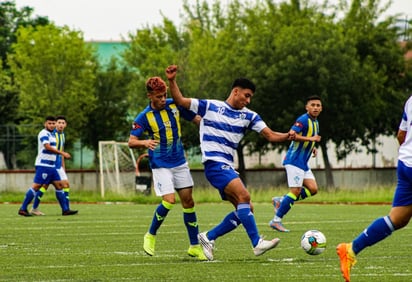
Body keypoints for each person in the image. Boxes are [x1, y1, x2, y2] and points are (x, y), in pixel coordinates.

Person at [165, 64, 293, 261]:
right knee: (244, 195)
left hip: (226, 166)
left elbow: (270, 135)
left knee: (246, 209)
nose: (248, 100)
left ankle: (208, 237)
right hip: (214, 164)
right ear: (236, 91)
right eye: (246, 95)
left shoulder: (250, 116)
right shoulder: (210, 106)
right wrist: (172, 80)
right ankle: (257, 243)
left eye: (250, 97)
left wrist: (288, 135)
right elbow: (181, 101)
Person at [128, 76, 206, 261]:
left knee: (189, 203)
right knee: (169, 200)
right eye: (159, 96)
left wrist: (213, 125)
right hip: (160, 163)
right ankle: (151, 235)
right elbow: (131, 141)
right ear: (150, 96)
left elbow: (196, 119)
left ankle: (194, 246)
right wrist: (144, 141)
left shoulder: (174, 105)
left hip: (179, 161)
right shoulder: (143, 117)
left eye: (164, 95)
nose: (163, 99)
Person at [336, 95, 412, 282]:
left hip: (406, 162)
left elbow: (401, 135)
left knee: (397, 219)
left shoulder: (410, 100)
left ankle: (351, 249)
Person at [269, 95, 322, 232]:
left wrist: (313, 147)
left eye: (318, 105)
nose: (316, 107)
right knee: (295, 191)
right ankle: (276, 220)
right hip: (294, 161)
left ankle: (281, 200)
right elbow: (292, 134)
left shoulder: (315, 122)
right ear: (307, 107)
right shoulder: (303, 119)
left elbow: (307, 140)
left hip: (303, 163)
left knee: (313, 189)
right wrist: (311, 139)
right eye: (313, 105)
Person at [18, 116, 73, 216]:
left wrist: (61, 162)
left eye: (53, 123)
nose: (52, 125)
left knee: (59, 185)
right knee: (37, 186)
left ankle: (65, 210)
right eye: (49, 123)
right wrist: (62, 153)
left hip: (52, 166)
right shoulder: (44, 133)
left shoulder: (53, 135)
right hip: (43, 164)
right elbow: (47, 147)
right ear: (45, 124)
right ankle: (23, 208)